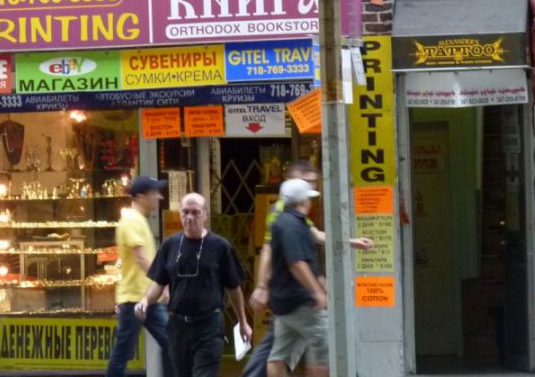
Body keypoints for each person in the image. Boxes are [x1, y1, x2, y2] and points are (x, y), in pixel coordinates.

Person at [243, 161, 372, 377]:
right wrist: (263, 286)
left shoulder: (294, 218)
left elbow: (316, 236)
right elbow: (281, 255)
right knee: (321, 349)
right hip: (298, 297)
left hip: (285, 298)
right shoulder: (284, 218)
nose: (313, 188)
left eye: (314, 182)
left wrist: (352, 242)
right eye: (308, 182)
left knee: (278, 353)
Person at [136, 192, 252, 377]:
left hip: (209, 326)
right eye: (185, 212)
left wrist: (243, 321)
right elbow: (158, 282)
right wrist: (145, 301)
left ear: (205, 214)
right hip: (178, 327)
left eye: (195, 212)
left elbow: (234, 287)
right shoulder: (170, 245)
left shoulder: (220, 246)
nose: (190, 217)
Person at [105, 175, 173, 377]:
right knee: (123, 352)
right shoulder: (132, 221)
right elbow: (141, 258)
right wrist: (162, 283)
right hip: (134, 299)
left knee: (171, 341)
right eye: (155, 192)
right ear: (142, 196)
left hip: (146, 297)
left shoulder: (138, 220)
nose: (159, 197)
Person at [267, 179, 329, 377]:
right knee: (322, 350)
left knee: (279, 355)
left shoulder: (284, 221)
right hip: (301, 301)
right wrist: (317, 292)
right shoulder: (292, 226)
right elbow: (297, 264)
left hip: (283, 302)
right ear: (303, 201)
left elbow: (311, 253)